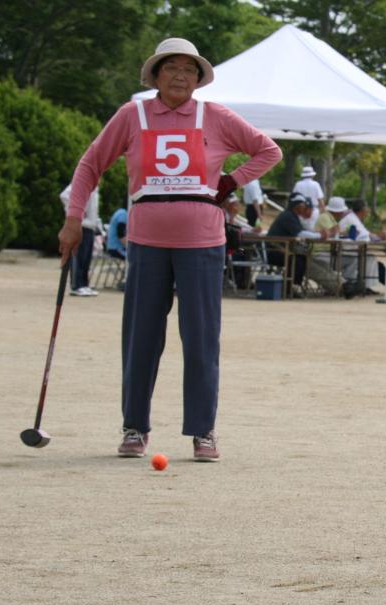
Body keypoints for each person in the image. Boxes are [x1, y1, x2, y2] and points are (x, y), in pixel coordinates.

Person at [58, 37, 281, 462]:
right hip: (146, 241)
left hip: (203, 242)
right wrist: (73, 219)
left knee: (200, 340)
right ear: (155, 74)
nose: (181, 75)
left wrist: (231, 181)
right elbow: (90, 164)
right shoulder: (133, 114)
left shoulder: (214, 115)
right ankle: (134, 427)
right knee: (141, 338)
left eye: (189, 69)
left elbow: (268, 150)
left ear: (199, 79)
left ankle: (203, 431)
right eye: (171, 67)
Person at [266, 192, 321, 292]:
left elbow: (301, 232)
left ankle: (293, 285)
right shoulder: (288, 216)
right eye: (303, 206)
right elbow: (300, 234)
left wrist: (316, 234)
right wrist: (320, 236)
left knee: (301, 258)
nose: (304, 208)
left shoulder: (292, 216)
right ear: (297, 206)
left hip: (280, 250)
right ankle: (291, 287)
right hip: (272, 251)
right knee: (297, 260)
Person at [344, 197, 386, 292]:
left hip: (354, 250)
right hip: (348, 252)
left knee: (375, 262)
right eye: (367, 209)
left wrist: (379, 237)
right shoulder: (352, 219)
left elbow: (366, 234)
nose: (368, 211)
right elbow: (365, 236)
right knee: (372, 261)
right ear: (362, 210)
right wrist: (379, 237)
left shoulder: (355, 218)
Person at [60, 184, 100, 296]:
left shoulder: (94, 187)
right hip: (81, 225)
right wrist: (77, 211)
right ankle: (76, 285)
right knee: (78, 257)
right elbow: (64, 195)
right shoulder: (82, 182)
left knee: (86, 258)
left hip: (90, 227)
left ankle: (84, 284)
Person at [292, 165, 324, 230]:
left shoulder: (298, 184)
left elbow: (293, 198)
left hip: (301, 210)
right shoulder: (316, 184)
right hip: (314, 211)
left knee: (301, 230)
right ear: (312, 175)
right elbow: (320, 199)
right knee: (313, 231)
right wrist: (323, 212)